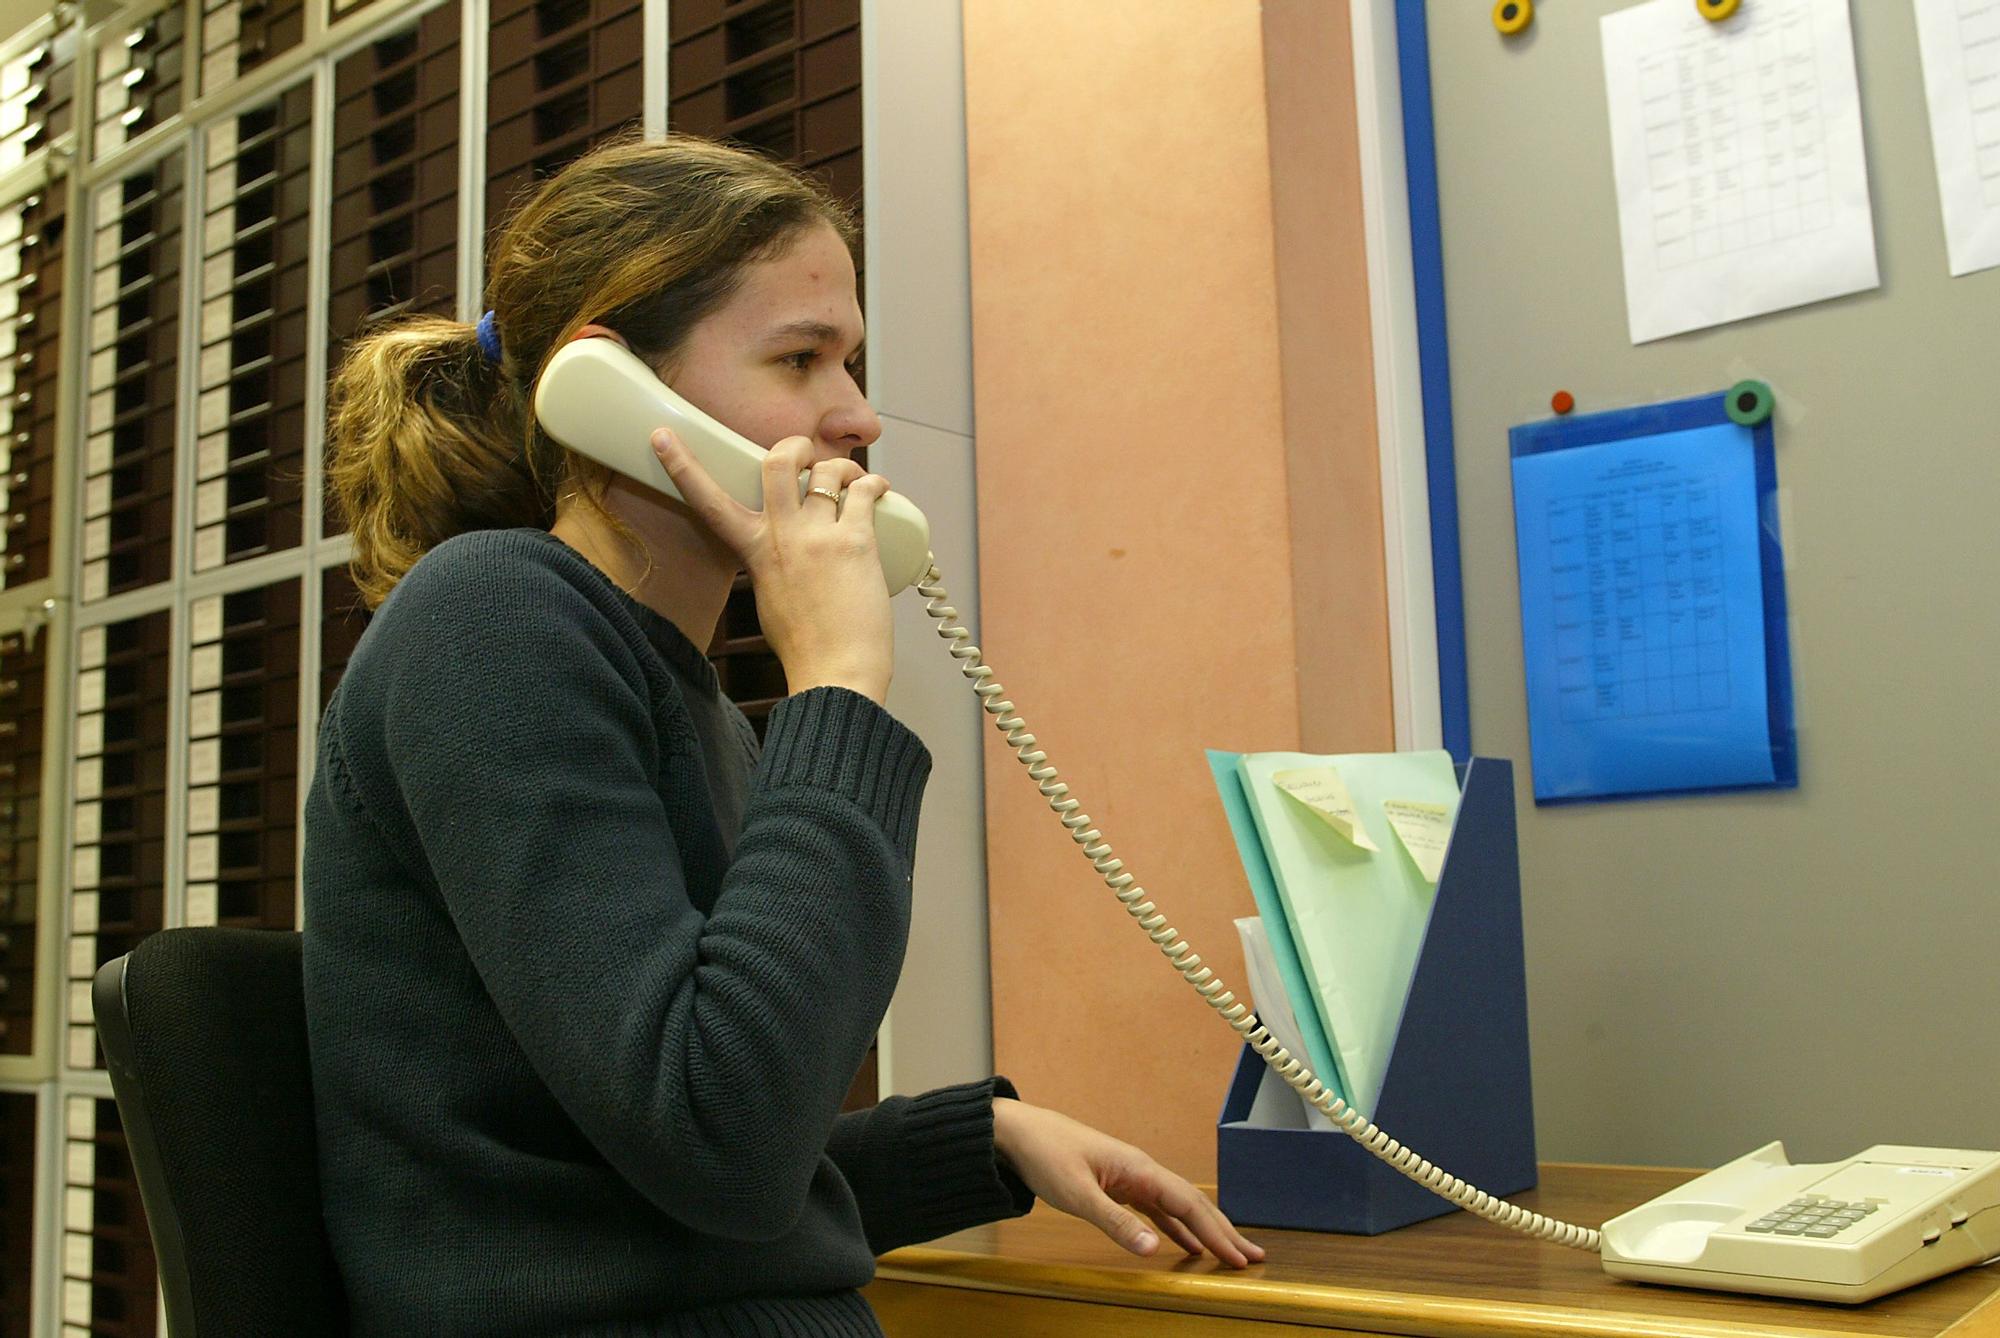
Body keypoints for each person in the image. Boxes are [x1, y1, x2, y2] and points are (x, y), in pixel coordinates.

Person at [303, 131, 1262, 1336]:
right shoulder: (491, 620)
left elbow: (693, 1167)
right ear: (610, 391)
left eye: (850, 362)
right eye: (800, 359)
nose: (857, 417)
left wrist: (986, 1139)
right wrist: (842, 683)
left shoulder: (689, 702)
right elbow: (721, 1139)